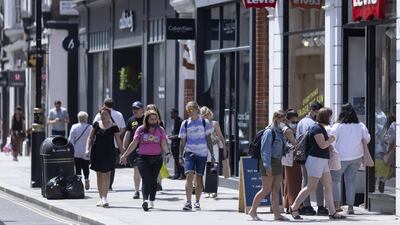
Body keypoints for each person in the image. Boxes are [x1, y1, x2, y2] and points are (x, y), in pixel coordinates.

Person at [290, 107, 346, 220]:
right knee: (311, 186)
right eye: (329, 116)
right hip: (315, 160)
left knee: (328, 185)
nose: (331, 118)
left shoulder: (319, 127)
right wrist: (331, 139)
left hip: (321, 160)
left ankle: (332, 212)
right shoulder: (316, 128)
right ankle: (294, 207)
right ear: (325, 117)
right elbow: (322, 145)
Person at [120, 110, 171, 211]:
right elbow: (134, 143)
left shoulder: (160, 130)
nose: (154, 120)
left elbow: (164, 143)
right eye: (151, 119)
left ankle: (151, 200)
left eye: (155, 119)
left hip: (157, 158)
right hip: (143, 158)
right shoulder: (141, 129)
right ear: (147, 119)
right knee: (146, 179)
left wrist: (167, 153)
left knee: (153, 180)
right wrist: (125, 154)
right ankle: (145, 200)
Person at [248, 110, 288, 221]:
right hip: (269, 162)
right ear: (276, 119)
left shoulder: (280, 132)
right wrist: (267, 166)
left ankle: (277, 214)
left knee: (276, 190)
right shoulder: (269, 132)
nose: (284, 122)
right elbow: (265, 150)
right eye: (282, 120)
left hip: (277, 161)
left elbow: (281, 148)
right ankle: (253, 211)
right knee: (265, 189)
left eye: (285, 120)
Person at [330, 103, 370, 214]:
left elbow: (331, 141)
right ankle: (351, 207)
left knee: (335, 181)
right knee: (351, 181)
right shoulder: (360, 125)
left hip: (340, 157)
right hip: (356, 157)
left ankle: (337, 205)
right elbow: (367, 139)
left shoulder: (337, 126)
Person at [178, 101, 214, 211]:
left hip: (202, 153)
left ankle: (197, 201)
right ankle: (188, 202)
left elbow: (208, 139)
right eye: (188, 110)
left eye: (191, 110)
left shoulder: (204, 122)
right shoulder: (185, 123)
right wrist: (180, 155)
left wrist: (212, 154)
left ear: (196, 109)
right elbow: (182, 141)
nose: (189, 112)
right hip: (189, 152)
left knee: (199, 178)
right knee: (189, 175)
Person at [85, 107, 124, 207]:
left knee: (107, 174)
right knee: (99, 175)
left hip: (109, 152)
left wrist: (123, 153)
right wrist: (87, 149)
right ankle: (101, 197)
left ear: (109, 116)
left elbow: (118, 140)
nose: (103, 116)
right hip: (97, 152)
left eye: (105, 114)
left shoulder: (114, 126)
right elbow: (90, 137)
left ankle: (104, 198)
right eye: (102, 114)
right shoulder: (96, 124)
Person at [296, 101, 328, 215]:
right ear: (313, 111)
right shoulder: (311, 123)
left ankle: (307, 206)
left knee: (307, 180)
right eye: (318, 112)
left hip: (304, 154)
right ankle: (316, 206)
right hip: (311, 155)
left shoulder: (302, 122)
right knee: (314, 182)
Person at [93, 98, 126, 190]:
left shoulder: (99, 115)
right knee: (111, 166)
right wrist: (116, 135)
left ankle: (102, 186)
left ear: (104, 104)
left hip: (101, 144)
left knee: (101, 167)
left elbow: (94, 127)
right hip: (115, 144)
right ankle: (109, 185)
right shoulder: (119, 114)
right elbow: (123, 128)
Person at [200, 106, 227, 198]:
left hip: (214, 148)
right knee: (204, 170)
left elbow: (221, 136)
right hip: (203, 148)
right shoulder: (200, 124)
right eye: (204, 115)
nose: (207, 116)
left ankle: (214, 190)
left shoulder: (215, 123)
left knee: (213, 169)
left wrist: (224, 149)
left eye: (208, 114)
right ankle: (207, 190)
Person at [282, 109, 302, 214]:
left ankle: (288, 203)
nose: (295, 124)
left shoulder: (290, 129)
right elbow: (295, 144)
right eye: (293, 122)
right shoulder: (287, 130)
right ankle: (292, 204)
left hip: (290, 158)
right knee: (293, 181)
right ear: (287, 120)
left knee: (289, 182)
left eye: (296, 122)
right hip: (291, 158)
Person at [123, 101, 144, 199]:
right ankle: (137, 191)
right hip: (134, 149)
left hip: (147, 149)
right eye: (133, 109)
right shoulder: (131, 120)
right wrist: (124, 151)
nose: (135, 111)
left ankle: (147, 189)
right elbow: (127, 135)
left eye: (137, 109)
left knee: (147, 170)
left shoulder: (147, 119)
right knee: (136, 170)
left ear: (142, 110)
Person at [68, 111, 92, 190]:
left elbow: (70, 140)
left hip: (76, 151)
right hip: (86, 150)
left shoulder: (74, 127)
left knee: (78, 168)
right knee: (86, 167)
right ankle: (87, 179)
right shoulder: (90, 127)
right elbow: (92, 139)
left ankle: (79, 182)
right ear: (86, 118)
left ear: (78, 118)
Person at [146, 104, 165, 191]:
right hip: (147, 150)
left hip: (158, 148)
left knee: (158, 167)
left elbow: (163, 137)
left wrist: (165, 149)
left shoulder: (160, 124)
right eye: (149, 110)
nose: (151, 112)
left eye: (152, 110)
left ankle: (158, 183)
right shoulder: (144, 123)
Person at [168, 108, 184, 179]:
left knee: (179, 159)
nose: (171, 115)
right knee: (176, 160)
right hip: (173, 143)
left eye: (172, 113)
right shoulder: (174, 121)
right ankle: (177, 174)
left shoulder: (180, 122)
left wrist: (173, 137)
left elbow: (181, 134)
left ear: (176, 113)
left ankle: (182, 174)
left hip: (178, 144)